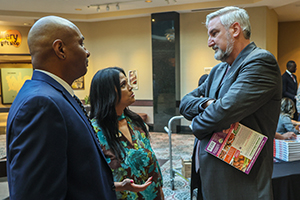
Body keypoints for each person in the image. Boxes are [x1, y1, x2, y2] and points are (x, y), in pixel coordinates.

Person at [6, 16, 133, 200]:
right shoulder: (41, 103)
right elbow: (38, 194)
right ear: (60, 49)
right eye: (81, 44)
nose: (87, 52)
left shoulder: (54, 94)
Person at [179, 6, 281, 200]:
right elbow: (185, 103)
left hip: (240, 183)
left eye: (214, 34)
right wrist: (208, 104)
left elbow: (222, 113)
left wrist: (196, 124)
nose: (209, 42)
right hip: (211, 176)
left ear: (235, 30)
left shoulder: (260, 62)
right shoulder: (218, 70)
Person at [89, 67, 164, 200]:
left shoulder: (135, 122)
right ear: (108, 93)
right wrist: (120, 186)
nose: (130, 88)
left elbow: (154, 166)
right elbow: (90, 180)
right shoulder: (93, 131)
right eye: (123, 85)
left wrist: (160, 192)